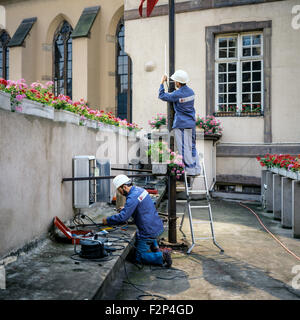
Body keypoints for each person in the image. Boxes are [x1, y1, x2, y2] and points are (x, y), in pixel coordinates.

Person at [102, 174, 172, 267]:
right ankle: (155, 247)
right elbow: (144, 204)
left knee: (138, 256)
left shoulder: (132, 197)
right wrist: (127, 208)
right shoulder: (140, 190)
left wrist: (108, 220)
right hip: (157, 225)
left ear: (124, 187)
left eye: (119, 190)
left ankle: (162, 256)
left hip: (148, 231)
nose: (119, 192)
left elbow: (123, 217)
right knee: (146, 233)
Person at [158, 70, 201, 176]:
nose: (175, 82)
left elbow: (162, 96)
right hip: (191, 123)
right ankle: (197, 169)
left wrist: (162, 83)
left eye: (175, 81)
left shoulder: (177, 94)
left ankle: (190, 170)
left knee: (183, 147)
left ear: (178, 82)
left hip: (181, 124)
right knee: (192, 146)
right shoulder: (191, 92)